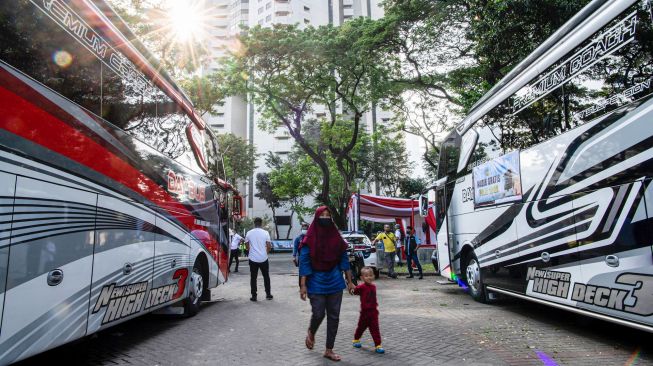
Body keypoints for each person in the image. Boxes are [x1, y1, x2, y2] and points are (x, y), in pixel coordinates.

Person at [299, 206, 355, 362]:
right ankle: (312, 330)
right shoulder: (309, 238)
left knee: (334, 316)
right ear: (316, 218)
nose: (325, 217)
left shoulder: (336, 238)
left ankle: (329, 349)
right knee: (318, 313)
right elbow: (304, 262)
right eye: (322, 215)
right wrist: (303, 285)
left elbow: (344, 260)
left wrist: (350, 282)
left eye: (327, 215)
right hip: (315, 280)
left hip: (335, 280)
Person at [352, 267, 384, 354]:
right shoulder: (361, 287)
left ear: (373, 276)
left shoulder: (374, 287)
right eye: (366, 276)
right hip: (364, 313)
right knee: (361, 328)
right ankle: (356, 339)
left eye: (371, 275)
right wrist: (351, 286)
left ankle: (378, 345)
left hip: (373, 313)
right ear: (362, 278)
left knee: (375, 329)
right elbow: (354, 291)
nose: (369, 277)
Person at [245, 217, 273, 301]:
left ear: (254, 223)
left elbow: (247, 246)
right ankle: (268, 294)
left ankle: (254, 296)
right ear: (261, 224)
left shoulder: (249, 233)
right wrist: (265, 253)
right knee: (266, 276)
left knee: (253, 278)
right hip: (263, 259)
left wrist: (252, 252)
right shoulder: (266, 233)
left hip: (253, 259)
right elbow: (269, 246)